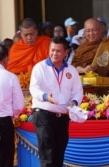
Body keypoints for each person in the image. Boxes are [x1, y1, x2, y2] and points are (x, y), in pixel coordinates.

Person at [30, 36, 83, 167]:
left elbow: (78, 91)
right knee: (47, 156)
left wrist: (74, 102)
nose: (54, 54)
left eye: (58, 51)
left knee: (58, 156)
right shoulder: (40, 67)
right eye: (52, 50)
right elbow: (33, 88)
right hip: (44, 114)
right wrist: (45, 96)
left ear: (66, 52)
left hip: (62, 117)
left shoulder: (71, 70)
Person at [0, 45, 24, 167]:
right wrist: (11, 116)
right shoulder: (10, 77)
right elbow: (19, 105)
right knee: (3, 160)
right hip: (2, 121)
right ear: (6, 60)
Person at [71, 18, 109, 95]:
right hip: (82, 86)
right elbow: (73, 67)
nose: (91, 34)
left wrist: (97, 68)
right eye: (88, 31)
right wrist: (84, 70)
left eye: (94, 30)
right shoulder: (80, 48)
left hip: (104, 85)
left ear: (101, 30)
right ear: (84, 32)